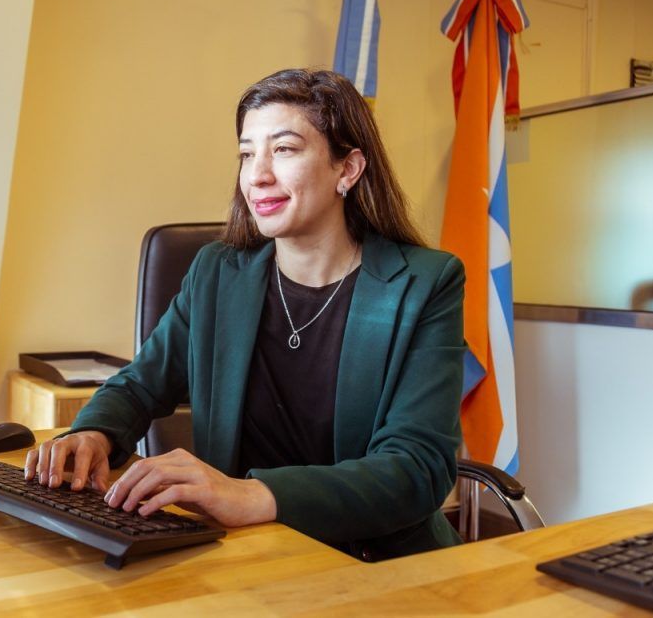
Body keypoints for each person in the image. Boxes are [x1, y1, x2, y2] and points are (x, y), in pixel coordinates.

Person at [25, 68, 465, 561]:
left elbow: (416, 469)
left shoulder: (425, 283)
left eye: (284, 149)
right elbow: (140, 385)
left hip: (371, 564)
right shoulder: (218, 273)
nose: (258, 175)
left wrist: (250, 494)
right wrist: (94, 433)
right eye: (247, 153)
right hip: (240, 555)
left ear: (348, 169)